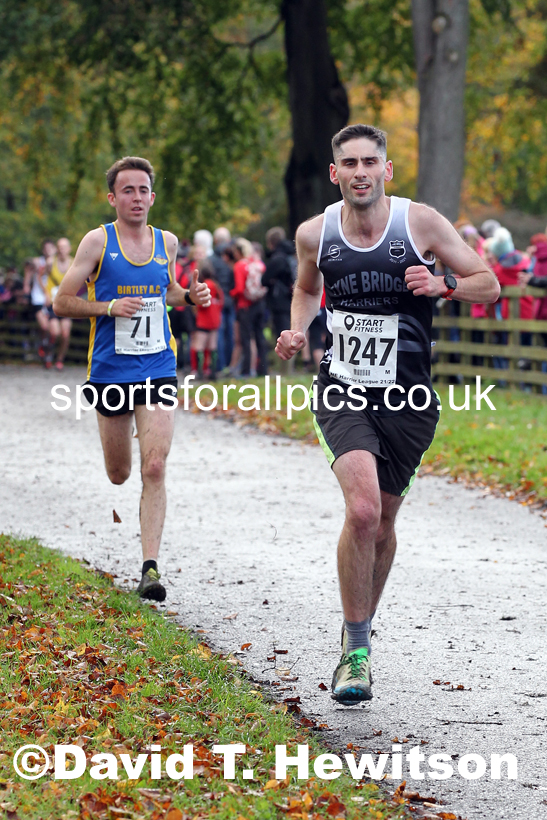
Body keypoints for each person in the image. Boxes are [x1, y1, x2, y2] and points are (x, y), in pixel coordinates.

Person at [275, 124, 500, 705]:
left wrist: (443, 284)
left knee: (386, 521)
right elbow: (305, 290)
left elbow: (490, 284)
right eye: (348, 162)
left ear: (386, 169)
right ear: (334, 173)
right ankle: (355, 651)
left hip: (409, 397)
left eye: (369, 161)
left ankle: (360, 631)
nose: (359, 172)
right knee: (364, 509)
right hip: (343, 388)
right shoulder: (314, 233)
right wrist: (299, 329)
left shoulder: (419, 223)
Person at [54, 156, 210, 603]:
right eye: (128, 190)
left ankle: (150, 569)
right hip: (110, 371)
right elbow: (62, 301)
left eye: (143, 190)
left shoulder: (167, 242)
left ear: (153, 197)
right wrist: (106, 307)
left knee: (155, 466)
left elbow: (170, 293)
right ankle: (137, 532)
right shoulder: (97, 243)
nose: (137, 198)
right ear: (113, 197)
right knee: (120, 473)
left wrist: (192, 297)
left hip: (158, 365)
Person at [44, 237, 74, 370]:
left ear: (69, 249)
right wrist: (46, 293)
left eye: (64, 247)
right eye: (59, 247)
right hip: (53, 303)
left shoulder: (74, 263)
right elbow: (40, 276)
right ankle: (48, 354)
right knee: (54, 333)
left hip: (66, 303)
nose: (62, 250)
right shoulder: (50, 263)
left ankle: (60, 359)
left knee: (65, 334)